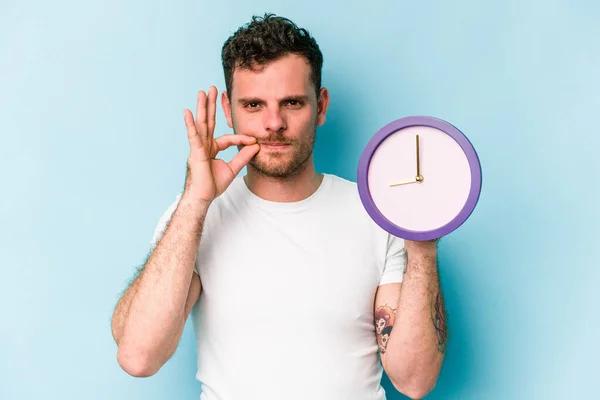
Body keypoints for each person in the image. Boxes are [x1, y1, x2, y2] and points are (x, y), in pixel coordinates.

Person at [111, 13, 447, 400]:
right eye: (254, 104)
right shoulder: (196, 217)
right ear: (228, 108)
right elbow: (139, 356)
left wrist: (422, 243)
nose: (273, 123)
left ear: (320, 107)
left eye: (291, 102)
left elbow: (415, 380)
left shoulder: (375, 214)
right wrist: (195, 203)